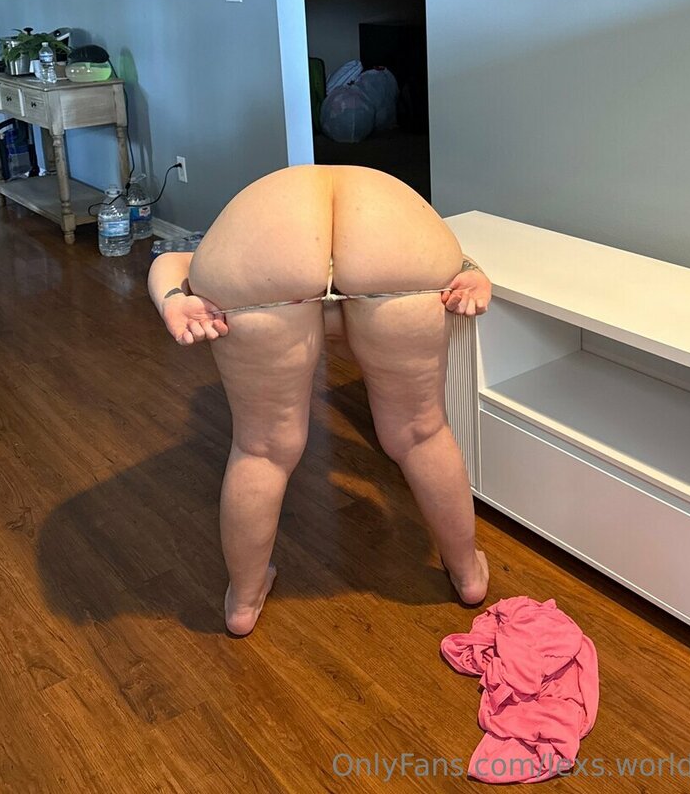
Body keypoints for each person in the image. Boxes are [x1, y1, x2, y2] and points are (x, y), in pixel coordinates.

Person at [148, 164, 492, 635]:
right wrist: (473, 271)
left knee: (262, 449)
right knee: (421, 433)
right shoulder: (372, 197)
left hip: (266, 246)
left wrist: (171, 298)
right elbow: (453, 262)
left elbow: (172, 261)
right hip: (394, 231)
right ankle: (468, 573)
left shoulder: (276, 201)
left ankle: (243, 602)